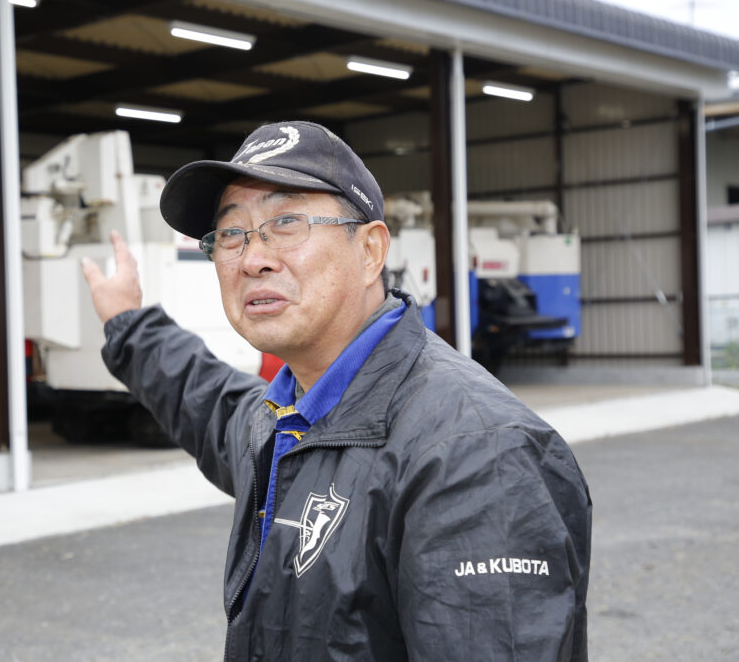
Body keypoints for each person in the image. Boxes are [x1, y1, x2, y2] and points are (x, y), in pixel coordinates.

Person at [81, 120, 591, 661]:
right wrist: (129, 325)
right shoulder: (284, 419)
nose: (252, 258)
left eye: (286, 223)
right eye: (231, 234)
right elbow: (209, 402)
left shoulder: (476, 455)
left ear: (370, 251)